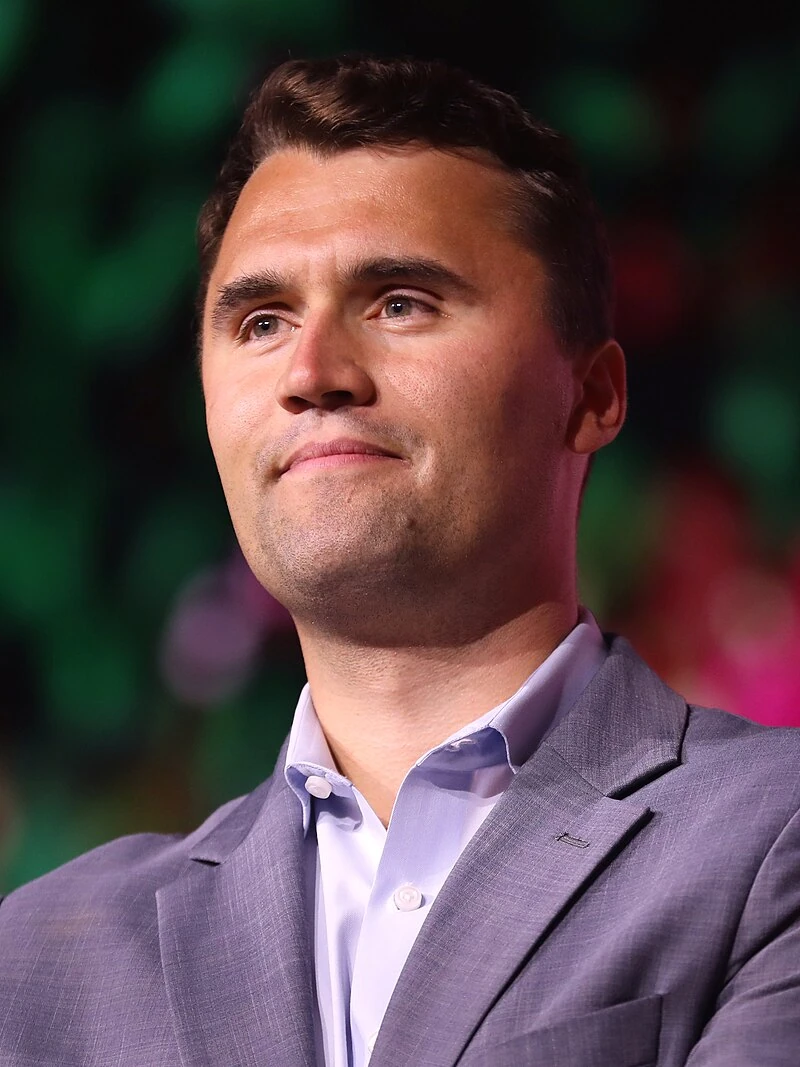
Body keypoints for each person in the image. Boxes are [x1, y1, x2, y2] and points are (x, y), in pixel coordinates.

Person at [1, 53, 798, 1067]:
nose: (311, 372)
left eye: (399, 303)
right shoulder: (40, 958)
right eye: (260, 321)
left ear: (590, 395)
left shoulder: (768, 837)